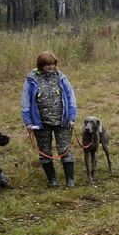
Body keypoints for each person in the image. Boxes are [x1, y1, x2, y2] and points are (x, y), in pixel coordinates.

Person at [20, 51, 78, 188]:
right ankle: (52, 180)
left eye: (53, 64)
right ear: (41, 65)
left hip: (62, 121)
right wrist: (28, 122)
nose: (51, 67)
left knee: (65, 150)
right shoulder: (31, 79)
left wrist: (72, 117)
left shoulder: (61, 77)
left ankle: (70, 180)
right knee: (44, 151)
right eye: (47, 65)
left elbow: (71, 98)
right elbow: (25, 102)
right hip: (40, 124)